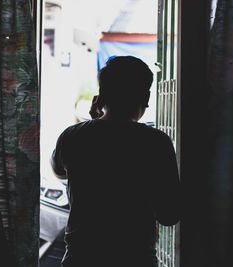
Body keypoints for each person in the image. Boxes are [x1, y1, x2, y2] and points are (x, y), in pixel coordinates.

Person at [50, 56, 181, 267]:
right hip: (135, 259)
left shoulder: (73, 137)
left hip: (81, 258)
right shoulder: (156, 143)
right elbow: (169, 215)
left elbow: (59, 171)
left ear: (101, 96)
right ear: (146, 97)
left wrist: (93, 123)